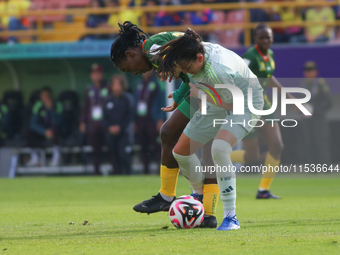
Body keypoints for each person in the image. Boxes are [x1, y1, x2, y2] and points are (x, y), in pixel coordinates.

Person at [110, 21, 220, 228]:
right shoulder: (155, 53)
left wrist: (179, 91)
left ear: (131, 54)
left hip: (215, 88)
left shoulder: (153, 47)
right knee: (169, 133)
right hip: (203, 88)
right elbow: (188, 71)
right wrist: (179, 94)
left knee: (206, 147)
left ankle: (209, 213)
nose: (135, 73)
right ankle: (167, 196)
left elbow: (193, 50)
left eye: (129, 70)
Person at [153, 29, 264, 230]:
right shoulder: (193, 52)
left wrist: (199, 93)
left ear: (200, 57)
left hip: (246, 103)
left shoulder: (220, 71)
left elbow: (234, 105)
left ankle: (231, 217)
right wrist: (183, 94)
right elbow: (199, 83)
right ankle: (199, 195)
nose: (186, 73)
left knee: (219, 148)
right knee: (180, 152)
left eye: (187, 68)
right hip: (215, 98)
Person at [231, 23, 292, 199]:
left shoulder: (270, 54)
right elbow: (237, 73)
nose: (266, 40)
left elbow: (268, 77)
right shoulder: (250, 56)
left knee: (277, 145)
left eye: (268, 37)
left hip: (264, 105)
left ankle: (263, 190)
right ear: (255, 39)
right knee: (251, 156)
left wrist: (289, 98)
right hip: (247, 106)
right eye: (262, 37)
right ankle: (215, 157)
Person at [299, 61, 332, 165]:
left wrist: (317, 111)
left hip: (319, 119)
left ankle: (325, 166)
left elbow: (329, 103)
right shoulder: (303, 85)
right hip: (307, 119)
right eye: (307, 71)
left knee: (321, 142)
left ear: (315, 72)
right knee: (309, 142)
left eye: (311, 71)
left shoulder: (320, 84)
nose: (309, 73)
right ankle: (312, 166)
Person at [80, 63, 109, 175]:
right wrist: (82, 121)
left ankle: (115, 170)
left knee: (110, 147)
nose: (96, 76)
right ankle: (96, 171)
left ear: (102, 74)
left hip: (105, 123)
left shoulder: (107, 87)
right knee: (95, 149)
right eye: (93, 73)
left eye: (98, 73)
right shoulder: (89, 89)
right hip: (93, 124)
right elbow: (85, 107)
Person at [135, 70, 166, 174]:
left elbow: (162, 99)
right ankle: (145, 169)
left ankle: (159, 168)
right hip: (141, 119)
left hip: (153, 119)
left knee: (156, 145)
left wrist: (161, 118)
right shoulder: (139, 84)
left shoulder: (157, 83)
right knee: (143, 145)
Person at [26, 87, 63, 167]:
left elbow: (59, 121)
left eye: (47, 95)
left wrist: (50, 109)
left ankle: (56, 156)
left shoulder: (57, 104)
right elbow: (33, 123)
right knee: (29, 131)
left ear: (51, 95)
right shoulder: (38, 105)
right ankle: (34, 157)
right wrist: (44, 131)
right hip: (43, 132)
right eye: (43, 96)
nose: (45, 98)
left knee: (55, 129)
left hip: (56, 131)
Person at [104, 74, 132, 175]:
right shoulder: (107, 100)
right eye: (114, 85)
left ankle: (128, 173)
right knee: (113, 154)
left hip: (123, 132)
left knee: (123, 154)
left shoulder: (126, 100)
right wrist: (110, 127)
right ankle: (116, 173)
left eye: (118, 85)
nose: (116, 87)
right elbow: (105, 117)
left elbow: (129, 116)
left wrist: (120, 127)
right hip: (111, 133)